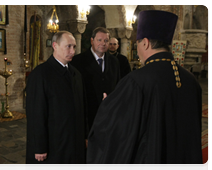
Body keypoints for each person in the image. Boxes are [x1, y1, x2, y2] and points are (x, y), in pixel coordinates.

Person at [87, 10, 203, 170]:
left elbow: (115, 133)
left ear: (145, 43)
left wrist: (108, 108)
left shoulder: (136, 81)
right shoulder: (191, 80)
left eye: (137, 43)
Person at [26, 31, 86, 170]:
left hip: (72, 141)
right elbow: (36, 114)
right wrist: (39, 146)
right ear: (55, 46)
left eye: (74, 47)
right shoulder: (40, 74)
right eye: (68, 46)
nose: (72, 51)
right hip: (53, 143)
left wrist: (84, 136)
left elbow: (83, 109)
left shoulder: (76, 74)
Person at [71, 27, 120, 131]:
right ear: (92, 41)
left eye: (106, 41)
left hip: (109, 115)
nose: (103, 43)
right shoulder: (78, 61)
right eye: (99, 40)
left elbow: (118, 85)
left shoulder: (114, 61)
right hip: (88, 115)